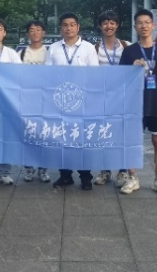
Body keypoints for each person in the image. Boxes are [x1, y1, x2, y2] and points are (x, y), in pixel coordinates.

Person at [119, 8, 157, 196]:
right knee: (132, 143)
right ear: (135, 27)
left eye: (147, 22)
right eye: (140, 23)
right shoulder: (129, 52)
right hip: (134, 105)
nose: (143, 26)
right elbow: (120, 80)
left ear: (153, 25)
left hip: (156, 104)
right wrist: (132, 69)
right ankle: (132, 178)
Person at [45, 12, 100, 190]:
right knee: (62, 140)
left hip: (82, 101)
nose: (68, 28)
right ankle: (65, 175)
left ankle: (85, 176)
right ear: (60, 28)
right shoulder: (53, 48)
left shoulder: (88, 48)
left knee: (82, 139)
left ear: (78, 27)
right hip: (59, 101)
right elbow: (48, 75)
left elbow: (94, 75)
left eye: (72, 24)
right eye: (65, 25)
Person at [92, 10, 131, 188]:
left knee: (122, 135)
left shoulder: (127, 46)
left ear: (117, 25)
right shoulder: (94, 49)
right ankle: (105, 170)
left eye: (112, 22)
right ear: (100, 26)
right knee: (104, 134)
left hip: (122, 98)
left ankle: (122, 171)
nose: (109, 26)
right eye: (105, 23)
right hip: (102, 99)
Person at [0, 17, 22, 186]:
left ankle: (3, 172)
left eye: (0, 29)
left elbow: (19, 75)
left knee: (5, 137)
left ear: (5, 33)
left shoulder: (11, 54)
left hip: (6, 102)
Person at [20, 20, 51, 183]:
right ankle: (29, 169)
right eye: (32, 30)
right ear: (27, 34)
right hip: (27, 101)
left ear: (44, 32)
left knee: (44, 135)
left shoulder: (50, 52)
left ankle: (43, 170)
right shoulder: (21, 53)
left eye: (38, 29)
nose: (35, 32)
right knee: (28, 135)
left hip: (46, 101)